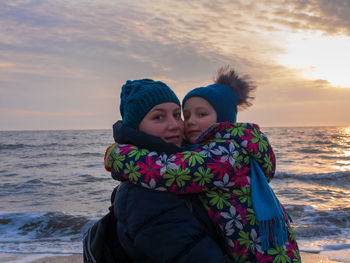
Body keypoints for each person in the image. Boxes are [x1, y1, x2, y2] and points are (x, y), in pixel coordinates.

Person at [105, 67, 301, 262]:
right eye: (187, 115)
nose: (185, 123)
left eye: (199, 115)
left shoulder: (225, 154)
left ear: (223, 120)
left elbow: (172, 171)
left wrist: (120, 156)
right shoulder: (212, 151)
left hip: (264, 253)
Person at [106, 79, 234, 262]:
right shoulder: (141, 196)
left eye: (177, 114)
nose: (175, 125)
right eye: (158, 117)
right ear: (136, 127)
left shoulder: (189, 170)